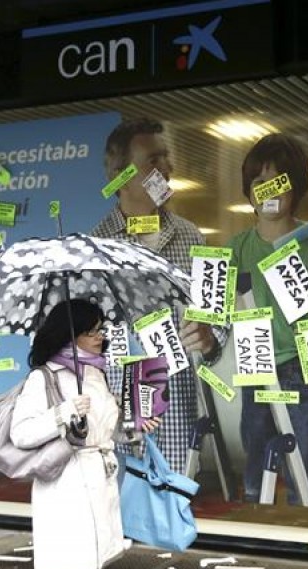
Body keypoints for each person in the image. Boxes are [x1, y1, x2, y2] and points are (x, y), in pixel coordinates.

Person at [10, 299, 159, 569]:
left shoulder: (95, 372)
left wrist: (136, 427)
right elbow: (22, 433)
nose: (100, 337)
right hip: (68, 489)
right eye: (93, 331)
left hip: (99, 481)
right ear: (72, 334)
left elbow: (106, 429)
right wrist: (62, 413)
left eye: (101, 330)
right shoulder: (43, 377)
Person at [92, 117, 228, 474]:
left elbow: (219, 319)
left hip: (180, 426)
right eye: (154, 160)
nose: (167, 168)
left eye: (167, 158)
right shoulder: (95, 250)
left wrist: (210, 339)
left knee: (175, 526)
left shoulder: (191, 237)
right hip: (117, 431)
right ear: (120, 176)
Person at [229, 133, 308, 504]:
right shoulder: (236, 249)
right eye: (259, 182)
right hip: (254, 367)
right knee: (253, 475)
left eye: (279, 181)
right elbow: (213, 314)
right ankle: (253, 546)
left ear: (297, 187)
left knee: (303, 477)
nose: (268, 191)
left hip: (303, 369)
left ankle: (305, 545)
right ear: (248, 190)